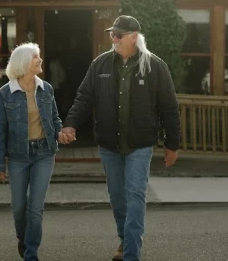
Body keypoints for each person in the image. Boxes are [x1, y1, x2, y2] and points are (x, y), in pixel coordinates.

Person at [62, 15, 180, 261]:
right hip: (109, 145)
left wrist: (172, 145)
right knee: (118, 197)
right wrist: (71, 124)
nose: (113, 39)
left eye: (118, 35)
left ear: (134, 37)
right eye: (111, 34)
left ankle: (131, 254)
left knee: (135, 194)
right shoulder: (100, 64)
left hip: (141, 145)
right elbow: (84, 97)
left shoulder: (155, 66)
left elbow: (169, 108)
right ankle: (125, 240)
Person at [0, 43, 72, 261]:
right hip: (17, 156)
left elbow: (54, 118)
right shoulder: (5, 93)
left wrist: (60, 133)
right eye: (36, 57)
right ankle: (24, 239)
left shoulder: (46, 88)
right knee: (19, 208)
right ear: (24, 62)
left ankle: (31, 254)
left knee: (35, 208)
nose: (40, 60)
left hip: (44, 153)